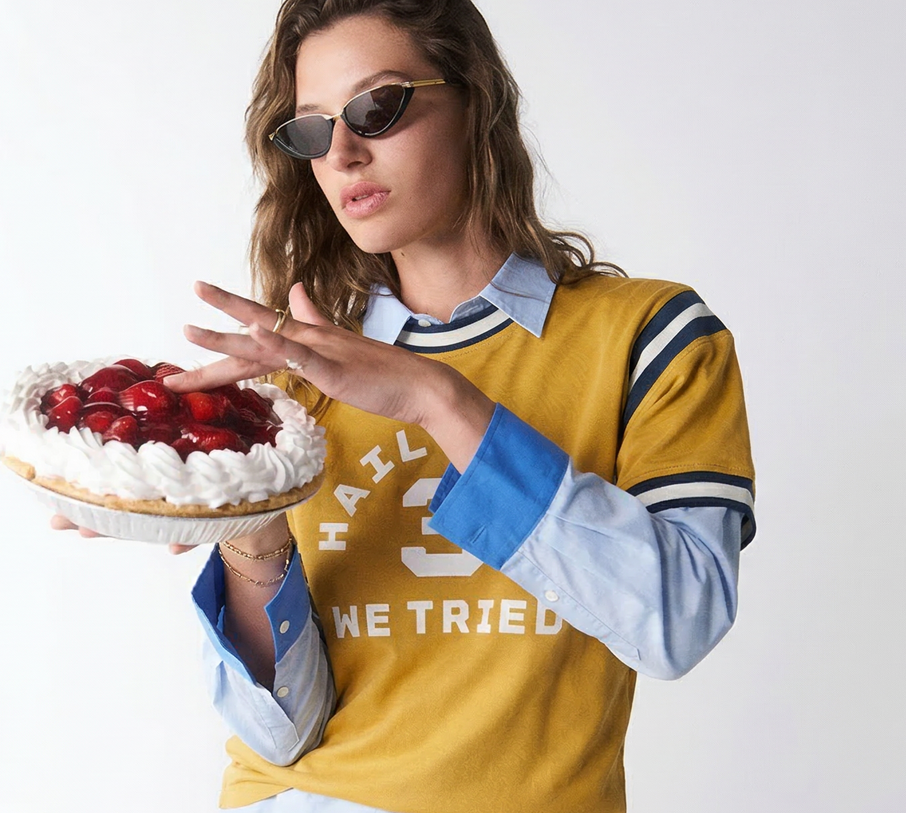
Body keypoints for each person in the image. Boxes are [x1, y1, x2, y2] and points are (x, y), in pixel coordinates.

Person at [52, 1, 754, 810]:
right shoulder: (294, 378)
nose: (343, 153)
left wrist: (434, 397)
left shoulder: (647, 337)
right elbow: (280, 734)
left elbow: (678, 621)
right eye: (312, 130)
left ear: (475, 100)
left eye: (375, 108)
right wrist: (249, 529)